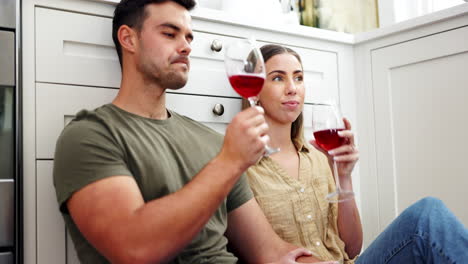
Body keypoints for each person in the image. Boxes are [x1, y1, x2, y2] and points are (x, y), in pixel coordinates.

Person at [52, 0, 339, 263]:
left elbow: (271, 251)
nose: (187, 46)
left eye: (189, 37)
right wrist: (230, 162)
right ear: (129, 39)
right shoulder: (90, 136)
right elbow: (134, 249)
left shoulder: (212, 142)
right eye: (170, 33)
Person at [246, 43, 468, 264]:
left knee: (429, 214)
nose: (292, 88)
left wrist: (344, 176)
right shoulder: (243, 167)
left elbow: (352, 248)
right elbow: (253, 251)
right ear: (254, 90)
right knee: (425, 215)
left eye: (298, 78)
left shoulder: (318, 158)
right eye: (278, 78)